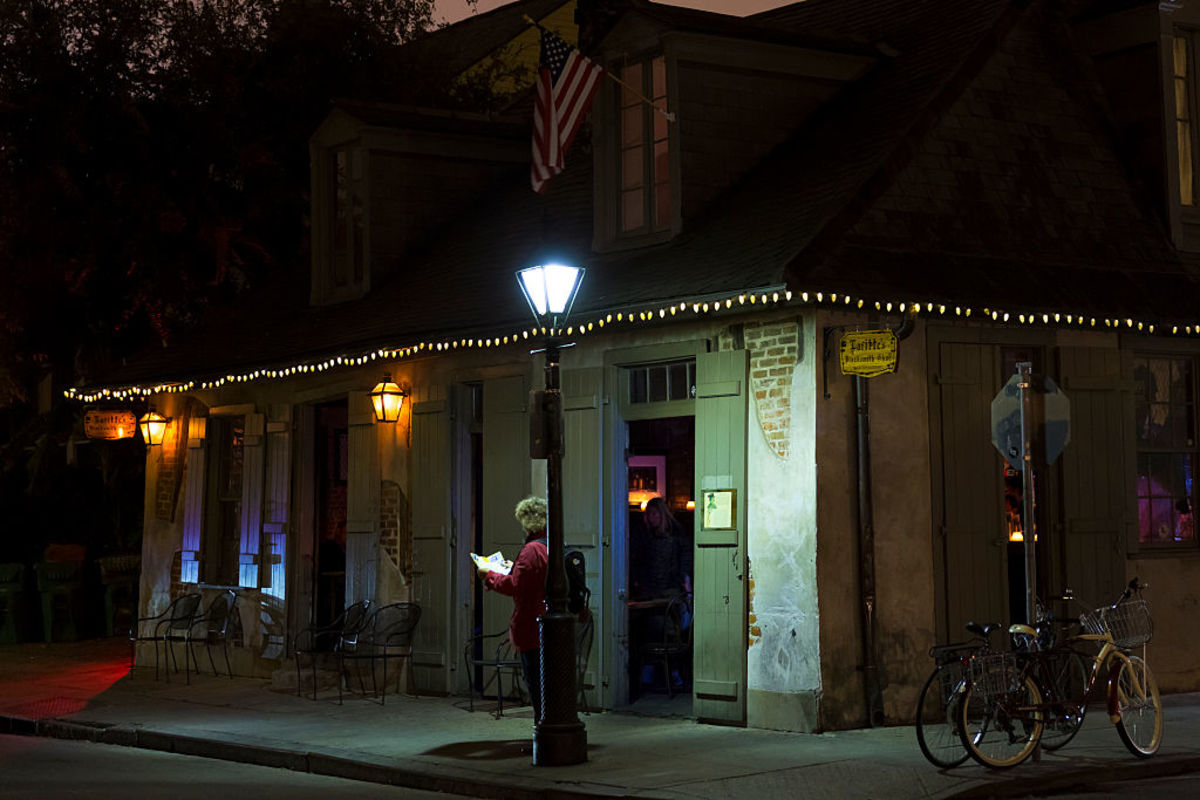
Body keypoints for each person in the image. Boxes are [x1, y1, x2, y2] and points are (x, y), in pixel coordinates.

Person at [478, 496, 548, 723]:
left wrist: (489, 576)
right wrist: (513, 568)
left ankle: (542, 732)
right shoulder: (549, 545)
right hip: (546, 626)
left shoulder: (531, 549)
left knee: (537, 687)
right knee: (546, 687)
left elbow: (516, 587)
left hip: (532, 628)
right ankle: (545, 729)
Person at [630, 496, 692, 690]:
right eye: (648, 514)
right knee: (650, 629)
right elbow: (637, 560)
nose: (650, 517)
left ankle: (669, 673)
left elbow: (685, 559)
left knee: (668, 631)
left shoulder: (676, 534)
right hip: (649, 590)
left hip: (670, 589)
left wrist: (686, 584)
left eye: (654, 513)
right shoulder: (644, 535)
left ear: (662, 514)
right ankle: (656, 673)